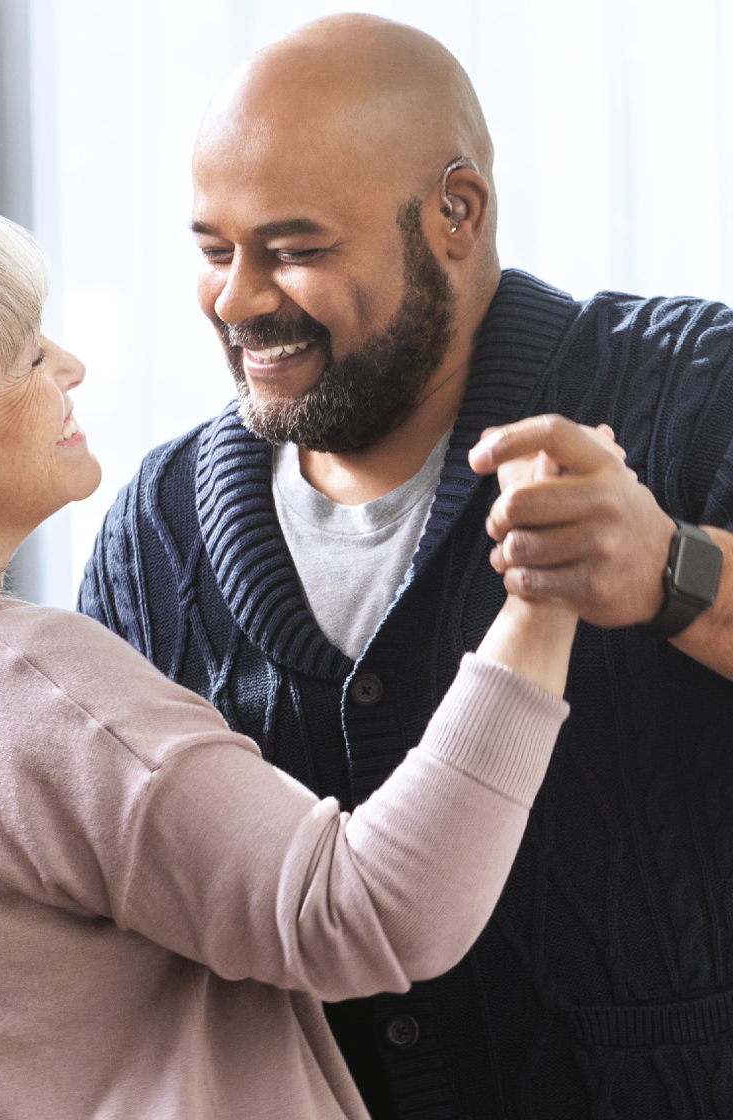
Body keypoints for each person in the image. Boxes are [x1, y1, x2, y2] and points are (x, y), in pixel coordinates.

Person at [0, 194, 579, 1119]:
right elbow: (371, 913)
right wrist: (544, 596)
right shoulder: (22, 683)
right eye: (25, 355)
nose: (71, 365)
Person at [76, 14, 733, 1120]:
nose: (237, 300)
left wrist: (678, 573)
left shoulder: (688, 385)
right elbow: (78, 854)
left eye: (293, 248)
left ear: (456, 213)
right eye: (212, 250)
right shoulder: (157, 524)